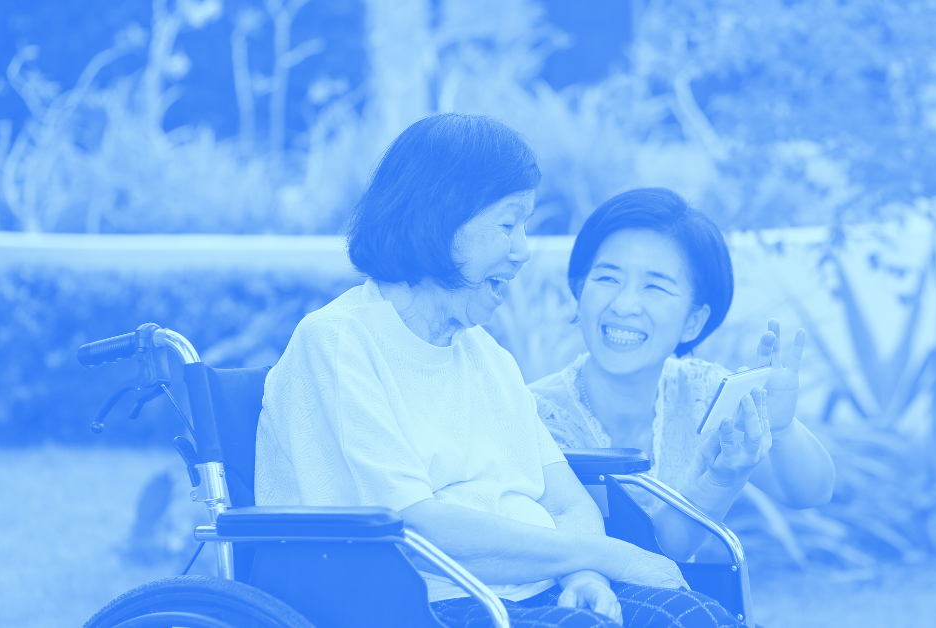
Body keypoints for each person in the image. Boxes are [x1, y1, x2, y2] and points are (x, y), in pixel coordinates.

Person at [255, 115, 743, 628]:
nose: (523, 250)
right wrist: (607, 557)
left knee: (697, 616)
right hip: (423, 601)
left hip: (533, 589)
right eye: (508, 224)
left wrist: (584, 576)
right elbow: (418, 526)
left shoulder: (484, 354)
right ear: (440, 222)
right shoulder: (339, 341)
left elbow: (566, 499)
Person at [530, 188, 836, 562]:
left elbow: (811, 493)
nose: (625, 305)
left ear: (693, 321)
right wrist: (716, 483)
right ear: (580, 290)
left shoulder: (704, 393)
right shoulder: (532, 415)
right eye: (608, 278)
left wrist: (783, 427)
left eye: (655, 286)